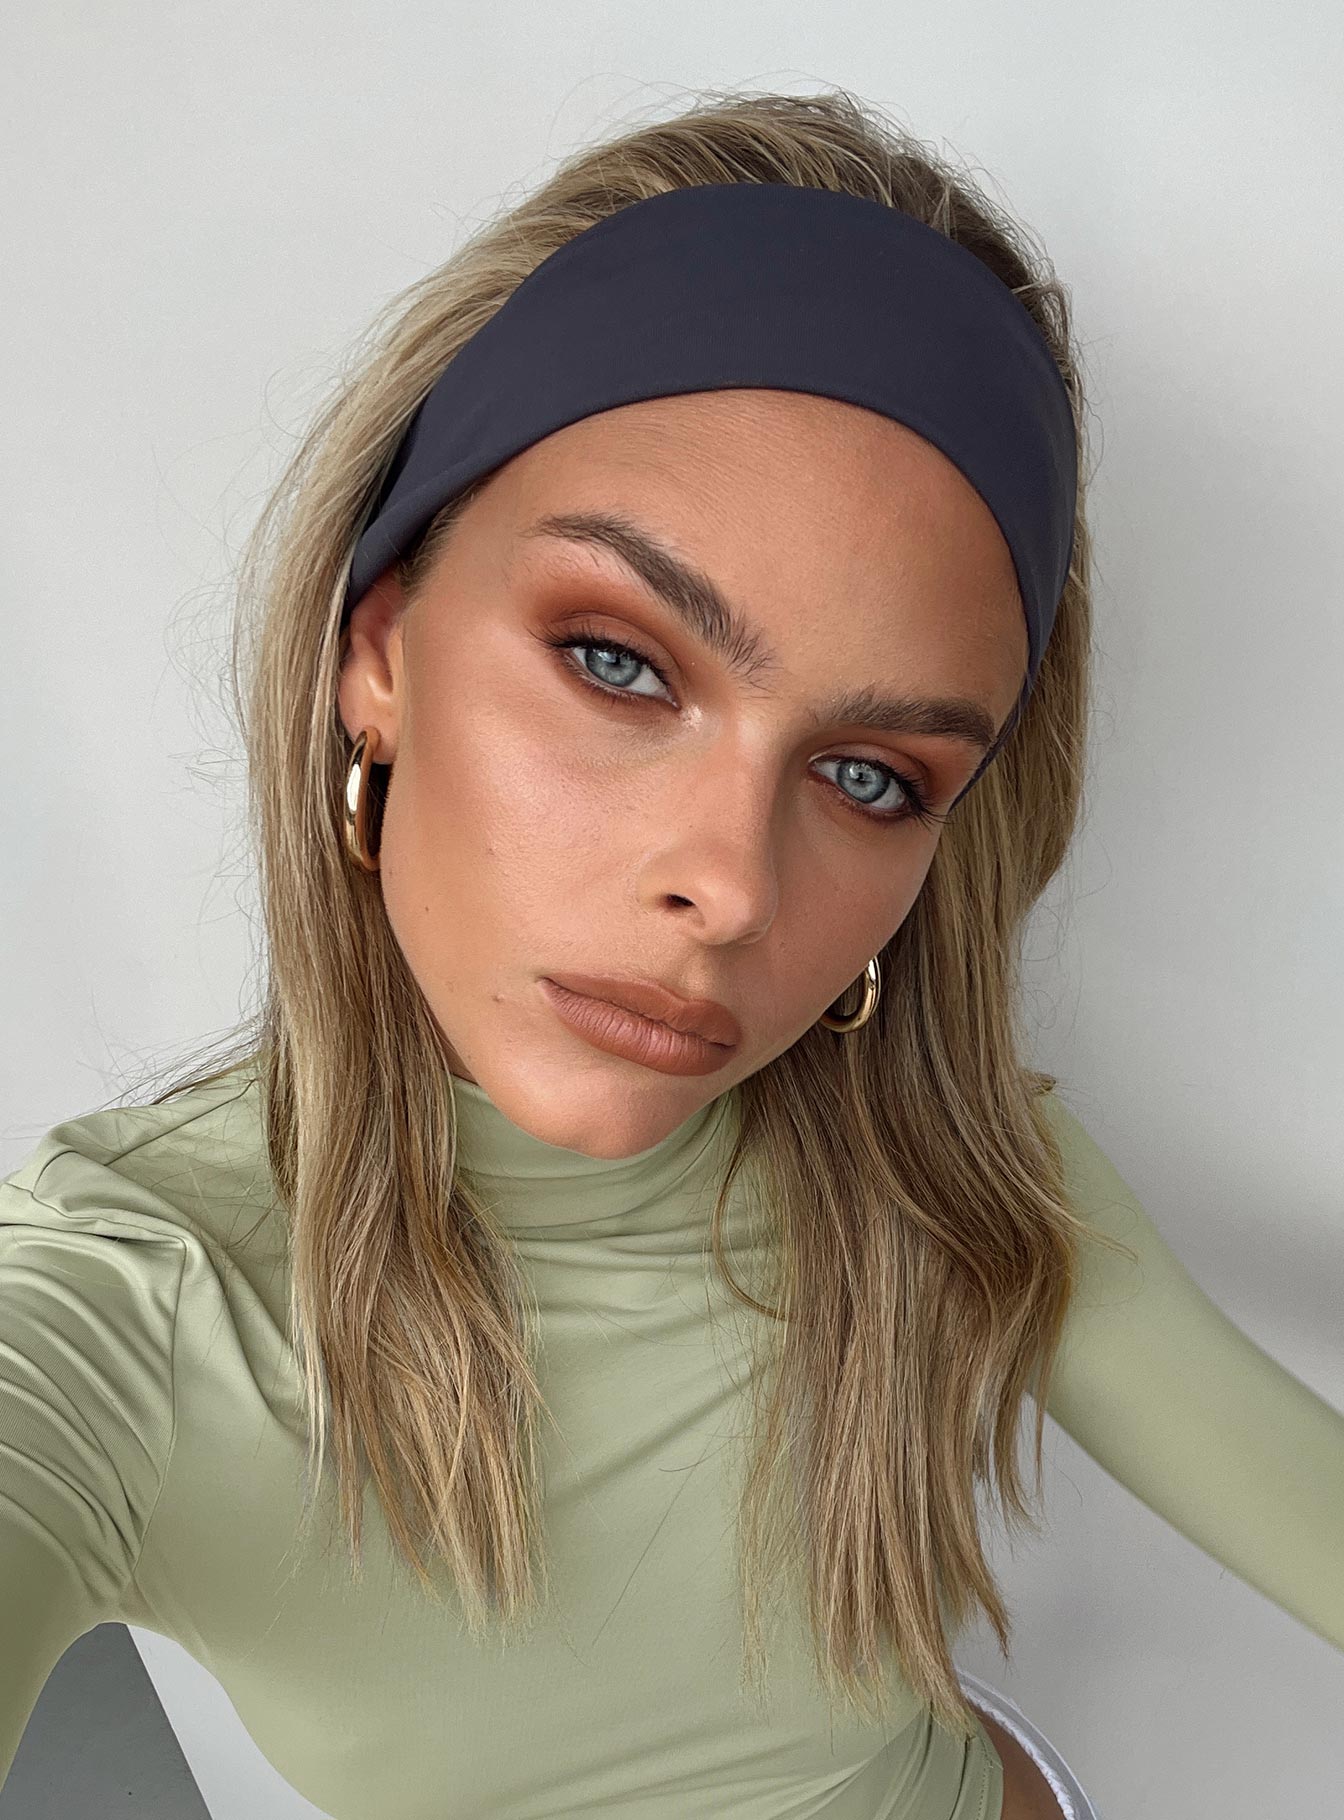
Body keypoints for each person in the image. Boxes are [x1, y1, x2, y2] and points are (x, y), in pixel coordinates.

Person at [2, 87, 1341, 1820]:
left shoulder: (956, 1177)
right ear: (381, 648)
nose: (730, 884)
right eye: (619, 662)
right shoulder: (130, 1308)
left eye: (872, 776)